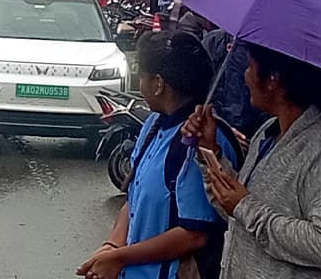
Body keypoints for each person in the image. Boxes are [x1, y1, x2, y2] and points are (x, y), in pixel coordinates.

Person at [184, 43, 321, 279]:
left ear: (273, 79)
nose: (245, 75)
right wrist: (208, 150)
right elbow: (236, 211)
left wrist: (245, 208)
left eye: (250, 66)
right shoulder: (267, 134)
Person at [78, 31, 239, 279]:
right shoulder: (154, 124)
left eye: (141, 75)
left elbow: (194, 233)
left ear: (158, 83)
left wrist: (121, 257)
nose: (139, 83)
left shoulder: (201, 140)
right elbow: (133, 199)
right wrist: (112, 247)